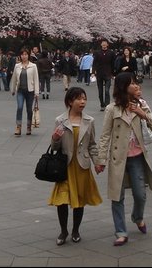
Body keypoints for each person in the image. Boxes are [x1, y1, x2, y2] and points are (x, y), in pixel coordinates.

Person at [97, 72, 152, 246]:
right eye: (132, 83)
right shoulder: (112, 109)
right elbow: (105, 135)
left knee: (141, 194)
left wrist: (142, 113)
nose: (136, 86)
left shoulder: (141, 105)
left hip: (137, 157)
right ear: (124, 87)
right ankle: (121, 232)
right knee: (117, 196)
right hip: (118, 158)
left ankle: (137, 217)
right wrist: (101, 160)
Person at [49, 87, 103, 246]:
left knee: (79, 200)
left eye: (84, 99)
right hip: (64, 167)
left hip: (81, 166)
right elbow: (54, 147)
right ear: (70, 101)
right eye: (79, 99)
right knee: (62, 200)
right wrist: (55, 138)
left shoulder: (89, 121)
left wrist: (97, 162)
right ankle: (63, 230)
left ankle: (76, 230)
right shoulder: (60, 120)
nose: (83, 102)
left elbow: (92, 145)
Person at [10, 48, 39, 136]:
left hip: (30, 91)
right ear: (20, 56)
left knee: (29, 110)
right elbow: (14, 78)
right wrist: (13, 89)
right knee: (19, 107)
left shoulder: (33, 66)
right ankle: (18, 127)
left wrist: (36, 92)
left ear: (28, 55)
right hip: (20, 91)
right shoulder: (17, 66)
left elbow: (36, 79)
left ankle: (29, 127)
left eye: (26, 54)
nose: (24, 56)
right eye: (22, 54)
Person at [92, 40, 115, 111]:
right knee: (100, 91)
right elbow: (94, 63)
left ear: (107, 45)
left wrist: (113, 73)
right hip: (99, 73)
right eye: (103, 44)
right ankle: (102, 104)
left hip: (108, 73)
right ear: (101, 45)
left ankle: (107, 105)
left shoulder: (111, 53)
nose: (104, 45)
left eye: (105, 44)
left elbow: (113, 63)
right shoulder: (97, 53)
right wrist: (93, 72)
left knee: (107, 90)